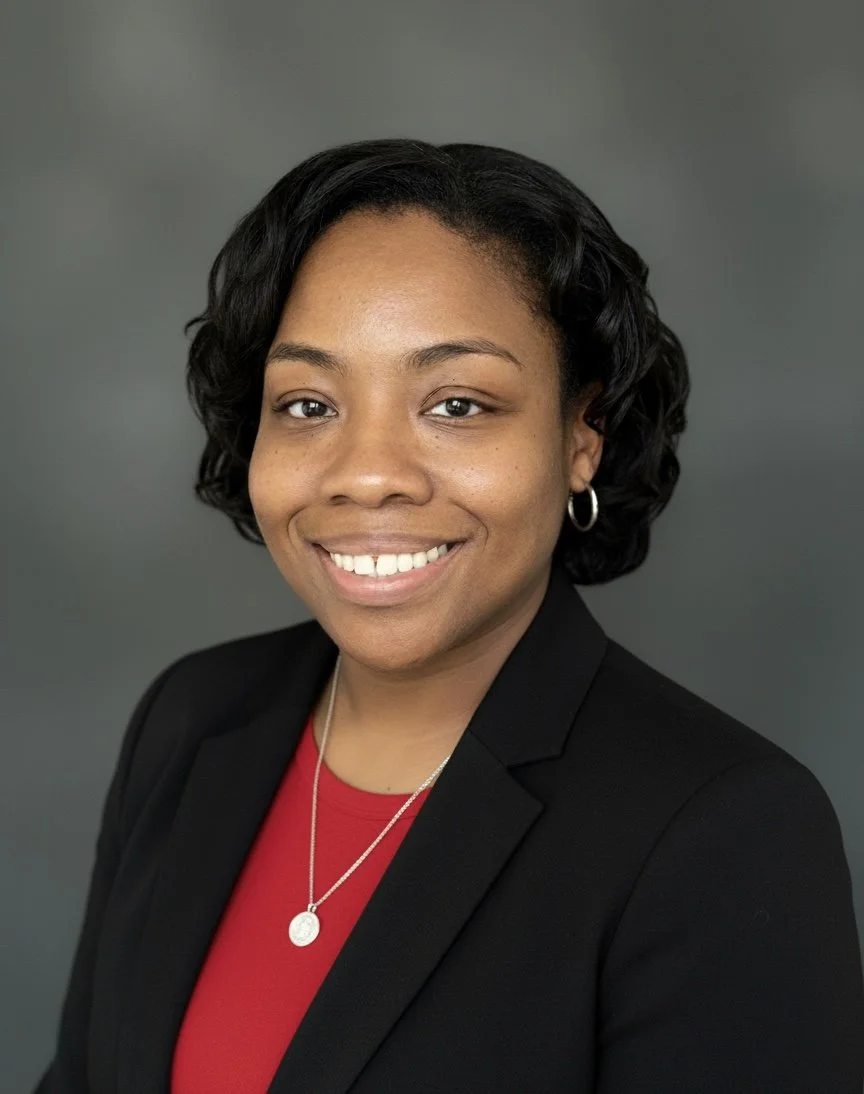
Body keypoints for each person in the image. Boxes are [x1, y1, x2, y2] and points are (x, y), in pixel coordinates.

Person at [35, 138, 864, 1094]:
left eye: (458, 403)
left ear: (581, 434)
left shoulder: (722, 830)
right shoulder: (192, 719)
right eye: (307, 403)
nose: (368, 473)